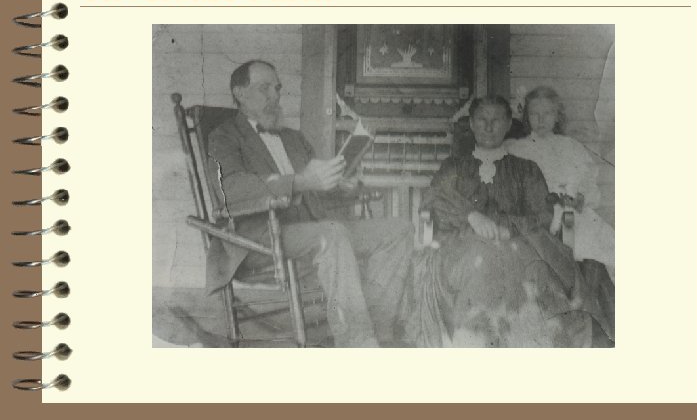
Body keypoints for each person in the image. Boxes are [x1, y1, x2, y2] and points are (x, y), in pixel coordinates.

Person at [205, 60, 414, 347]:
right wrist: (301, 181)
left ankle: (378, 326)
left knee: (400, 229)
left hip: (311, 228)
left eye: (277, 88)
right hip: (259, 239)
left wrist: (341, 186)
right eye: (264, 88)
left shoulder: (293, 138)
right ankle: (359, 344)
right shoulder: (224, 137)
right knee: (333, 234)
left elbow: (315, 188)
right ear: (239, 93)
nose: (275, 96)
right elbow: (231, 189)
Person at [403, 96, 614, 347]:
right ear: (471, 124)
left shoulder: (526, 169)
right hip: (462, 246)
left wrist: (506, 227)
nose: (489, 127)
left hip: (518, 242)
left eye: (497, 120)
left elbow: (543, 215)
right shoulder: (454, 167)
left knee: (523, 263)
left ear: (507, 125)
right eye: (482, 120)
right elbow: (434, 199)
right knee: (480, 259)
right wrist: (472, 217)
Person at [507, 86, 615, 282]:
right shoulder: (518, 148)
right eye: (534, 114)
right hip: (537, 215)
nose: (541, 119)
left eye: (547, 113)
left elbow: (588, 187)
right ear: (527, 116)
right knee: (562, 240)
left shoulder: (571, 146)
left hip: (571, 213)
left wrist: (580, 198)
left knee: (603, 243)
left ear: (557, 116)